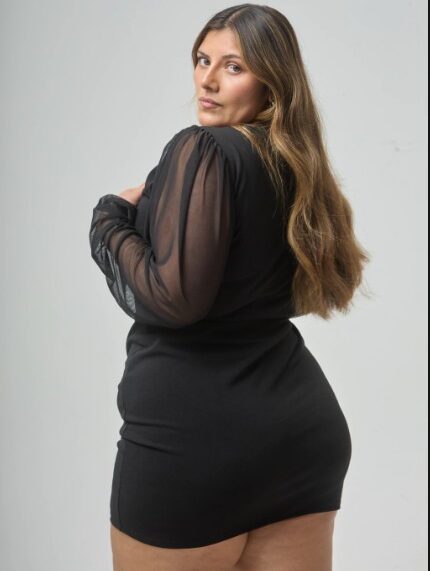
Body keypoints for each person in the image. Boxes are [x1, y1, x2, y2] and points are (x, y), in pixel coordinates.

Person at [89, 4, 370, 570]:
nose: (208, 80)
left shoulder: (205, 149)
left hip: (189, 447)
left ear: (272, 81)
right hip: (298, 440)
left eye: (233, 66)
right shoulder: (296, 164)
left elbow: (173, 298)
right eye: (202, 60)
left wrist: (108, 220)